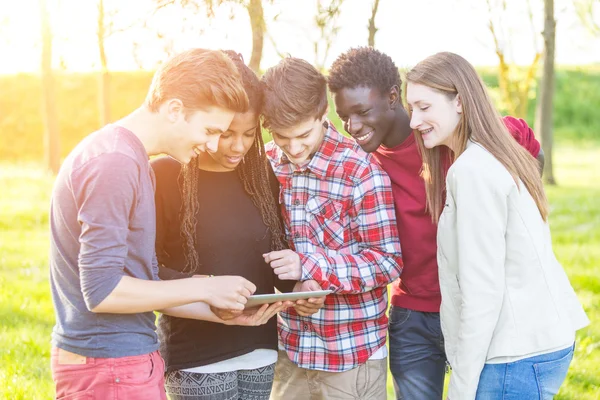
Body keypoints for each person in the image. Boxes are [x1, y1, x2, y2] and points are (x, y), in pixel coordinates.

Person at [49, 48, 276, 400]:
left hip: (125, 361)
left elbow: (142, 281)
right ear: (174, 110)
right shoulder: (115, 162)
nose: (213, 144)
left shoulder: (129, 158)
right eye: (210, 129)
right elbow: (102, 290)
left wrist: (221, 314)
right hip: (109, 366)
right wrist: (204, 288)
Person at [328, 47, 545, 400]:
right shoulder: (363, 166)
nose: (352, 127)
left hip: (479, 310)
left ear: (393, 97)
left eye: (362, 112)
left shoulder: (445, 135)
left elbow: (527, 146)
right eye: (343, 117)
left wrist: (520, 218)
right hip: (413, 317)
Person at [405, 51, 589, 400]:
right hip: (539, 341)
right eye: (411, 108)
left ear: (459, 101)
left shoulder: (472, 170)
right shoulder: (495, 153)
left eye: (424, 107)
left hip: (512, 356)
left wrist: (461, 387)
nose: (414, 121)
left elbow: (482, 292)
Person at [151, 51, 324, 400]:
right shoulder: (166, 176)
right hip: (197, 355)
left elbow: (270, 258)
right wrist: (209, 288)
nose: (238, 146)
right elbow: (149, 272)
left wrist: (301, 287)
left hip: (258, 346)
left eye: (249, 135)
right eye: (227, 133)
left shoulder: (261, 175)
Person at [260, 56, 403, 400]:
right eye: (282, 137)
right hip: (290, 350)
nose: (293, 149)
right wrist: (295, 288)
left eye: (303, 135)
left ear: (323, 114)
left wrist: (311, 268)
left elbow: (386, 262)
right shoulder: (265, 165)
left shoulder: (361, 171)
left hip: (350, 355)